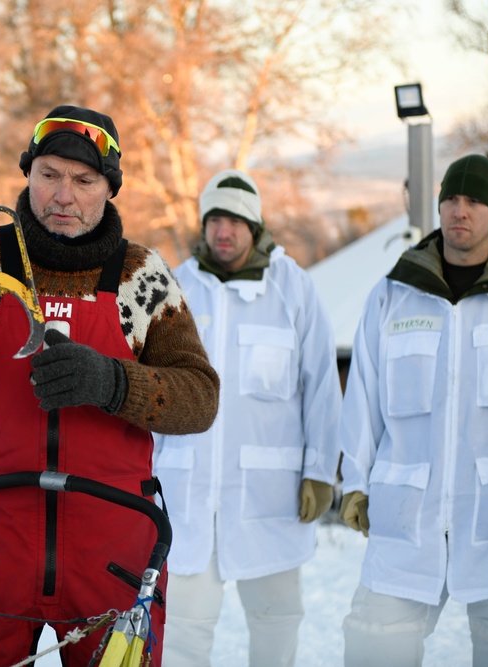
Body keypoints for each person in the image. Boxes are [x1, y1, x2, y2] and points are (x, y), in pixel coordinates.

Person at [0, 105, 220, 666]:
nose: (64, 196)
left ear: (109, 189)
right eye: (49, 175)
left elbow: (200, 398)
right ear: (27, 175)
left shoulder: (141, 275)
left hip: (111, 560)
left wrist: (111, 382)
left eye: (84, 181)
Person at [152, 169, 342, 666]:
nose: (223, 231)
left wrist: (321, 472)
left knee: (276, 623)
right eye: (215, 218)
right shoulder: (176, 288)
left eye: (235, 220)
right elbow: (152, 391)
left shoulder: (293, 288)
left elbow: (321, 384)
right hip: (187, 499)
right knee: (182, 634)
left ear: (255, 227)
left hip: (271, 499)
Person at [338, 154, 488, 666]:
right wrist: (355, 480)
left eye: (474, 200)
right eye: (451, 199)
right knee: (375, 643)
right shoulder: (395, 294)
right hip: (406, 519)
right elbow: (364, 398)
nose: (460, 211)